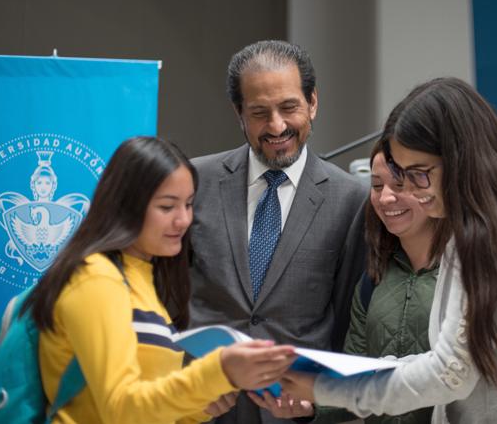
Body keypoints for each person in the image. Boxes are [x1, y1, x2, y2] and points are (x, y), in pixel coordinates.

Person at [280, 77, 497, 423]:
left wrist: (326, 385)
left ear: (461, 159)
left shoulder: (492, 239)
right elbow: (446, 361)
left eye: (420, 174)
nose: (413, 191)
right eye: (402, 174)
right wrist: (330, 377)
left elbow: (450, 373)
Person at [22, 136, 297, 424]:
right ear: (125, 205)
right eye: (167, 207)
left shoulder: (143, 278)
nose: (183, 220)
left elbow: (148, 408)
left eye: (189, 204)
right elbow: (120, 409)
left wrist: (201, 405)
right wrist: (217, 372)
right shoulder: (96, 278)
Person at [188, 40, 368, 423]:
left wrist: (322, 402)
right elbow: (164, 297)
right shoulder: (193, 182)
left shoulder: (352, 199)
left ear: (312, 103)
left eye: (288, 107)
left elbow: (349, 326)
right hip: (201, 407)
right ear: (239, 114)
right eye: (259, 112)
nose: (276, 126)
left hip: (294, 413)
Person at [250, 138, 439, 424]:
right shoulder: (373, 278)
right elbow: (355, 377)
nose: (386, 197)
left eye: (400, 185)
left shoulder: (464, 273)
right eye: (376, 185)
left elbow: (457, 374)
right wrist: (311, 403)